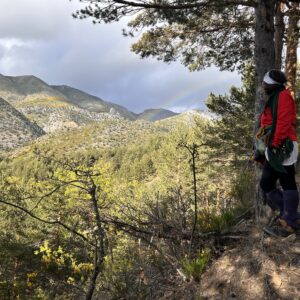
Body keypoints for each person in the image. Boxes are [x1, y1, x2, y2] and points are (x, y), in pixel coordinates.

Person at [258, 69, 300, 237]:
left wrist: (274, 144)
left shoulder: (283, 96)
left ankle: (289, 221)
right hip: (275, 147)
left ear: (272, 85)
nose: (263, 86)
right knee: (267, 183)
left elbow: (282, 123)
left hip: (283, 147)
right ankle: (288, 215)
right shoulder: (276, 96)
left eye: (265, 84)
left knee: (287, 181)